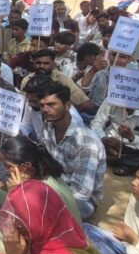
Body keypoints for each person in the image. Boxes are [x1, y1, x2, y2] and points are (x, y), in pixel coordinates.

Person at [37, 82, 106, 220]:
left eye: (51, 104)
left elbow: (81, 192)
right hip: (54, 183)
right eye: (42, 105)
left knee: (42, 211)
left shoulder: (86, 141)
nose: (45, 109)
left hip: (80, 200)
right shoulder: (48, 126)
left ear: (67, 105)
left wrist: (45, 196)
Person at [91, 96, 139, 177]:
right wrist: (103, 138)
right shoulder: (112, 99)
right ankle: (125, 163)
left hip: (134, 150)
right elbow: (95, 125)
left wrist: (132, 137)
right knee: (88, 139)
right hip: (110, 145)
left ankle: (113, 159)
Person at [22, 49, 96, 113]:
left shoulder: (62, 79)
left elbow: (86, 104)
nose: (42, 66)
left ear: (53, 64)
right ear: (33, 64)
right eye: (38, 63)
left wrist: (63, 113)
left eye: (46, 63)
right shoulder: (27, 80)